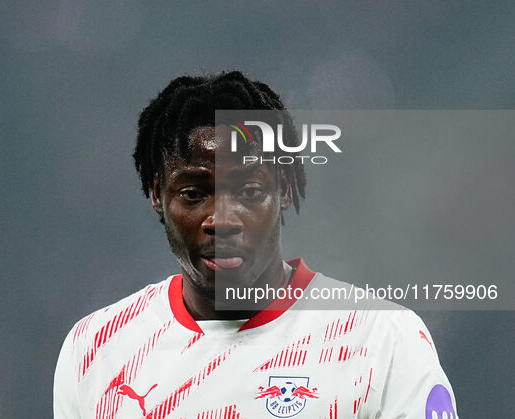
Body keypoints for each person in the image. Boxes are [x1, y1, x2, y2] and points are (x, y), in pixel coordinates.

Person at [54, 71, 459, 418]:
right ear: (157, 195)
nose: (222, 220)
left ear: (283, 189)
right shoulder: (96, 350)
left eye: (248, 190)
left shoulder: (381, 339)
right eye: (194, 194)